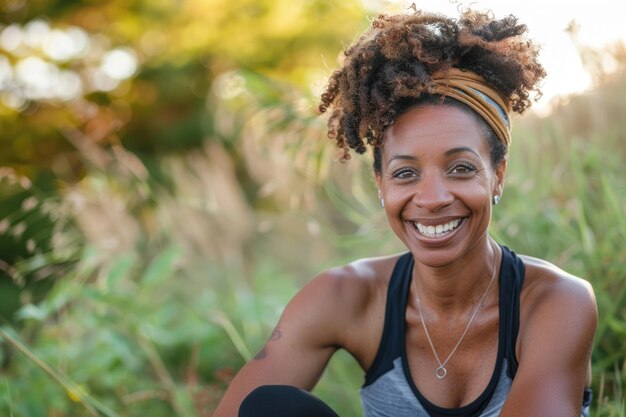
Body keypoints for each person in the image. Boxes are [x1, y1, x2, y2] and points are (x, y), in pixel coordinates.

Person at [212, 7, 597, 417]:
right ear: (381, 185)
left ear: (497, 175)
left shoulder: (554, 303)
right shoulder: (346, 298)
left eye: (461, 168)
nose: (431, 198)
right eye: (406, 173)